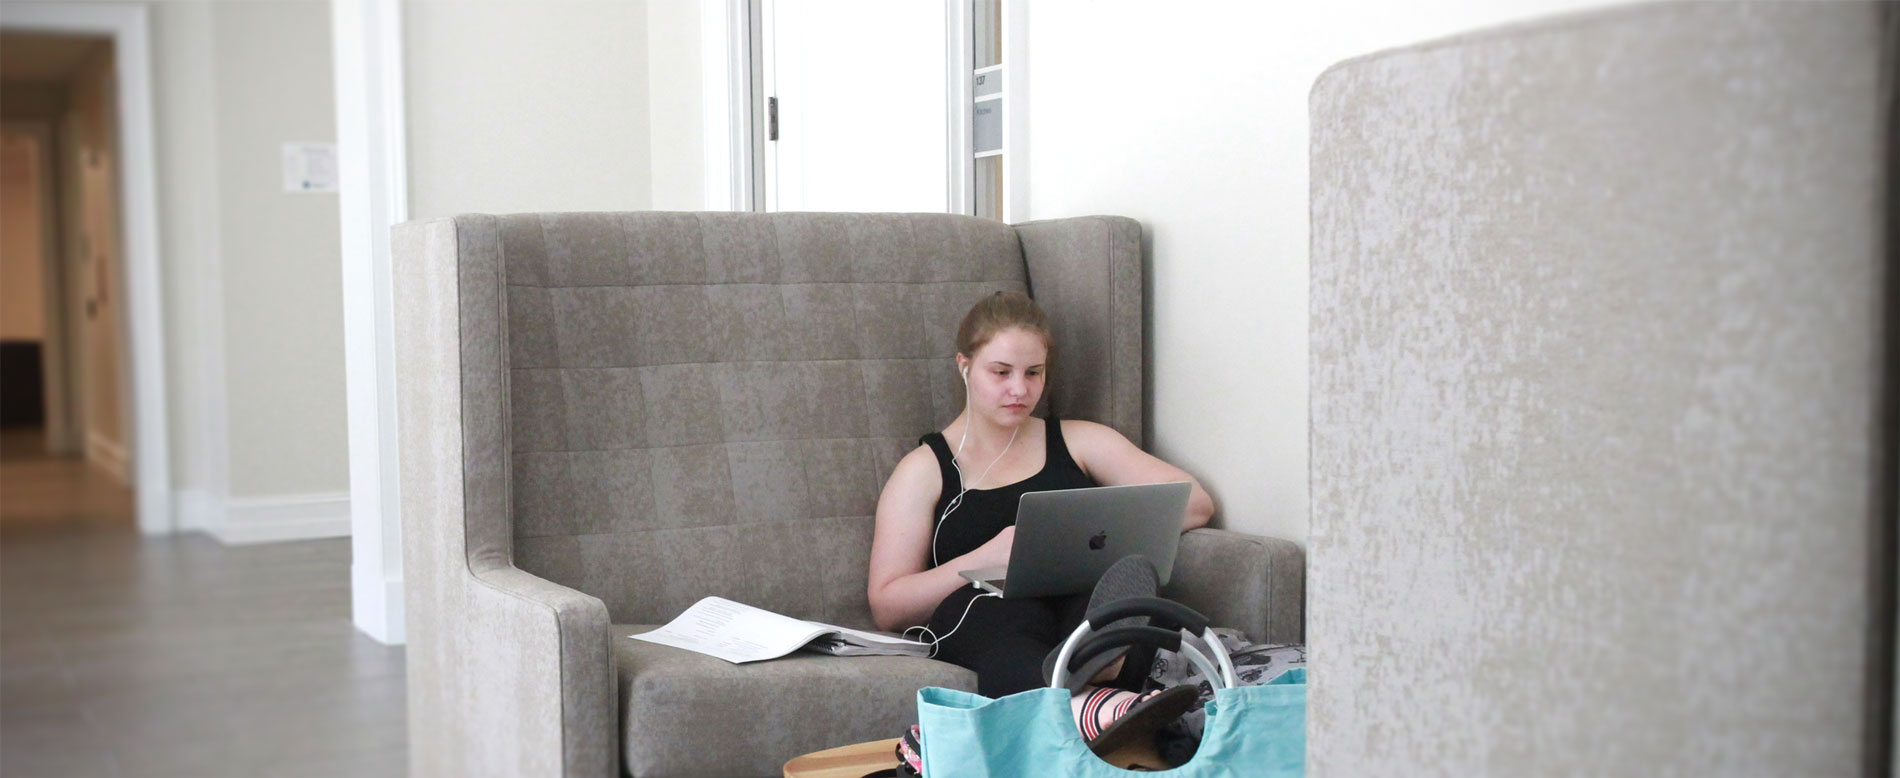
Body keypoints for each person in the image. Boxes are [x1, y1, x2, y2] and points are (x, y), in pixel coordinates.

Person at [866, 291, 1215, 744]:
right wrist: (986, 558)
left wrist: (1097, 534)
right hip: (987, 610)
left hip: (1075, 598)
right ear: (964, 366)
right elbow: (886, 604)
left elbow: (1196, 503)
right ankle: (1097, 689)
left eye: (1034, 373)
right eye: (1001, 372)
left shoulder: (1080, 441)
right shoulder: (926, 469)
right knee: (1001, 624)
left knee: (1126, 602)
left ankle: (1090, 667)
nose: (1020, 390)